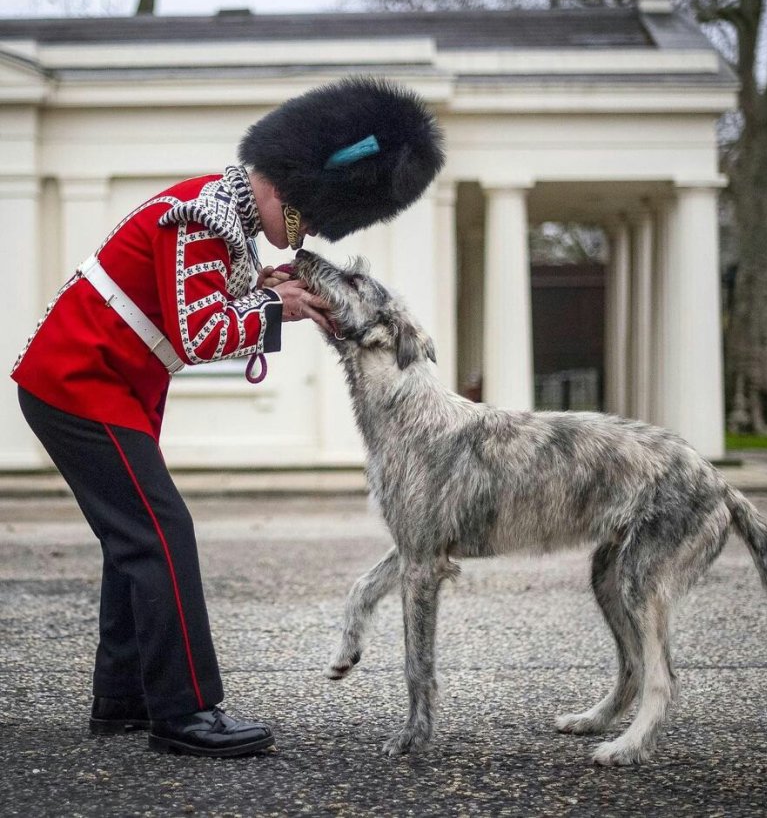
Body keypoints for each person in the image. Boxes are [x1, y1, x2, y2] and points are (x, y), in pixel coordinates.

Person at [11, 76, 444, 758]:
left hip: (101, 386)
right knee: (162, 534)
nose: (298, 234)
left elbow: (202, 295)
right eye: (301, 216)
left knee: (134, 542)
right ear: (280, 185)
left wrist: (265, 290)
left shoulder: (220, 215)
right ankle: (184, 715)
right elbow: (199, 334)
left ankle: (121, 700)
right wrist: (280, 308)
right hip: (80, 384)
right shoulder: (204, 217)